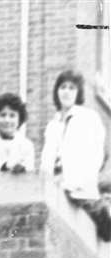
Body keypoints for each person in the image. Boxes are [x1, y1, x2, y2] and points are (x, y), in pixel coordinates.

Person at [39, 70, 111, 241]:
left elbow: (94, 154)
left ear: (78, 92)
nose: (66, 92)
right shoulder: (53, 124)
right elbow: (47, 156)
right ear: (57, 92)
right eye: (63, 87)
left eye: (72, 88)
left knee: (88, 209)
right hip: (55, 181)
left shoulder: (87, 117)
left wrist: (75, 179)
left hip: (78, 180)